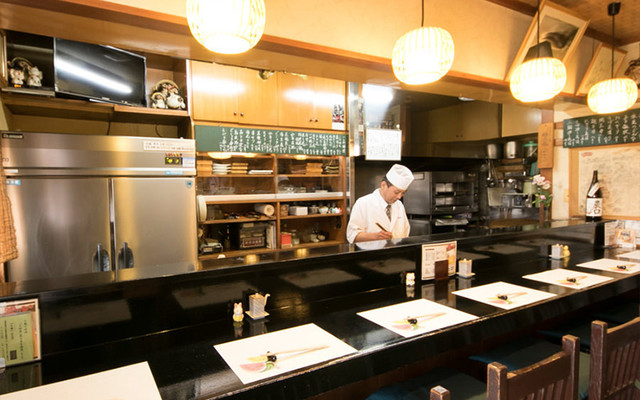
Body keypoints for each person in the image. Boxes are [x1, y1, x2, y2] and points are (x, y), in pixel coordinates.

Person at [347, 164, 414, 243]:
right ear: (383, 185)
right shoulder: (363, 203)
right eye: (396, 192)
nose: (399, 197)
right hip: (371, 253)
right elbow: (352, 235)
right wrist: (376, 236)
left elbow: (405, 233)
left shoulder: (399, 205)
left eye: (403, 193)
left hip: (395, 253)